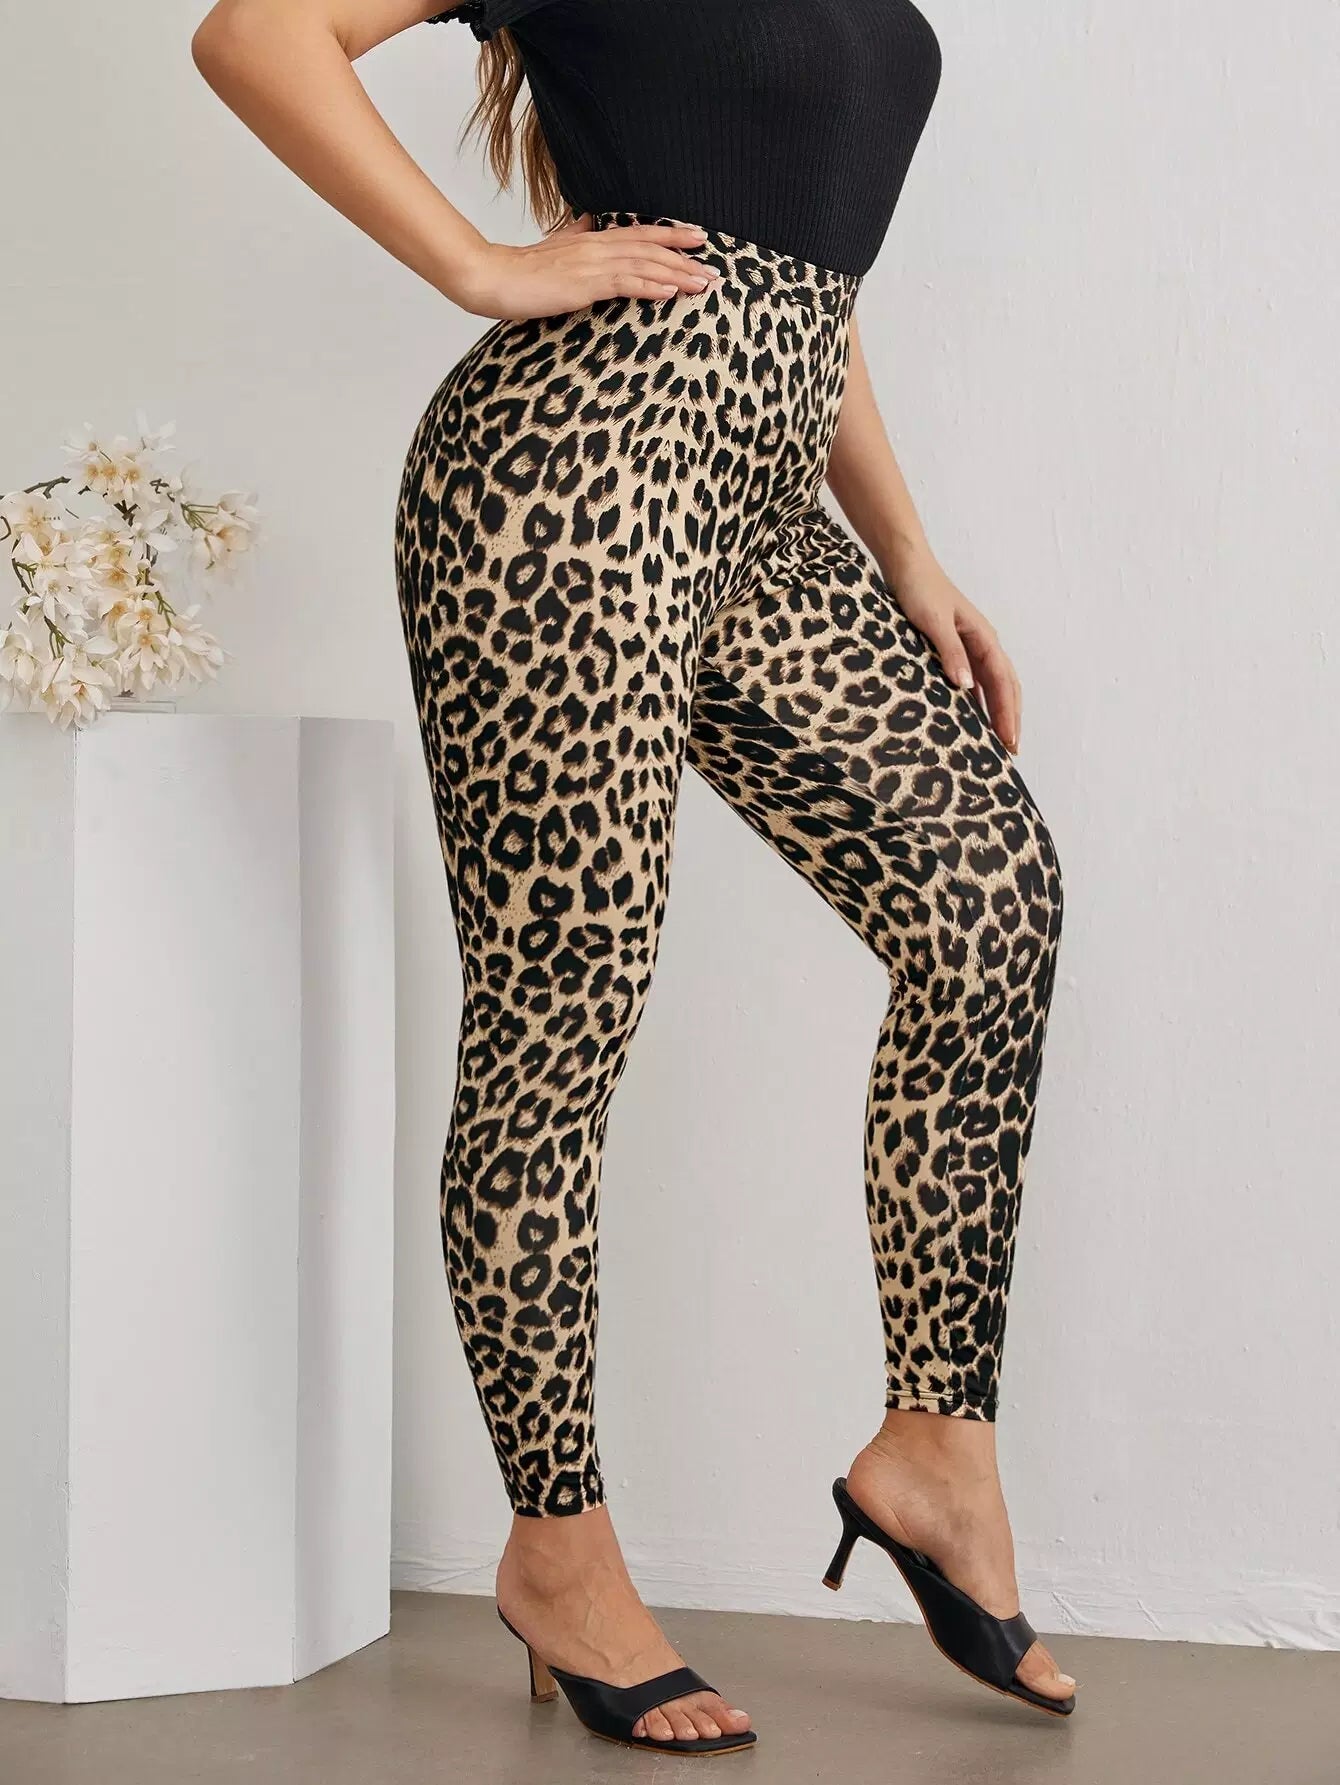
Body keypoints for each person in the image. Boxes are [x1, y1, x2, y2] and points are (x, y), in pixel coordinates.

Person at [192, 0, 1072, 1754]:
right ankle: (560, 1547)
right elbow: (256, 32)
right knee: (563, 1013)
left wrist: (904, 545)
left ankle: (937, 1448)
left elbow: (797, 264)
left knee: (992, 900)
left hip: (764, 518)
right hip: (568, 487)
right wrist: (477, 266)